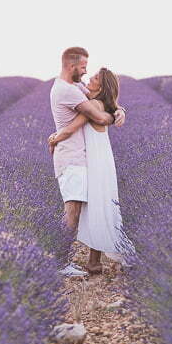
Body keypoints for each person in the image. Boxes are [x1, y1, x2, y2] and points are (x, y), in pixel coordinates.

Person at [48, 46, 126, 277]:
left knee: (92, 207)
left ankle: (92, 262)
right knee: (73, 211)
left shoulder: (77, 87)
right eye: (83, 68)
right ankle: (60, 263)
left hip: (85, 159)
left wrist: (119, 109)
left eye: (90, 72)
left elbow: (102, 102)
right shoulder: (68, 90)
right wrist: (59, 136)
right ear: (71, 66)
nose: (86, 73)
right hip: (72, 158)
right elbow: (98, 116)